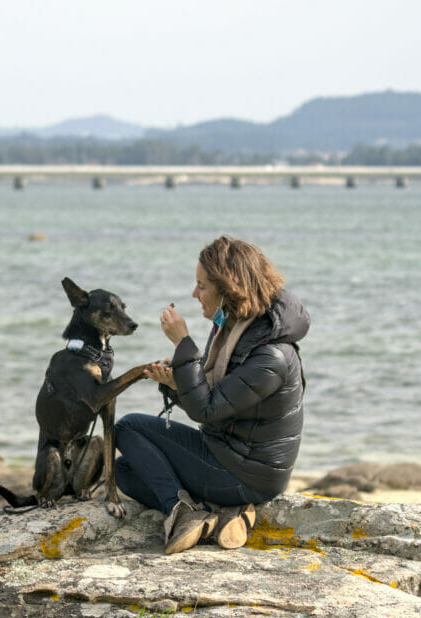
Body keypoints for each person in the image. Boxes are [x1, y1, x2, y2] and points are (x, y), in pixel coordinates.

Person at [114, 235, 310, 554]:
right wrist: (176, 382)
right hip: (227, 452)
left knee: (128, 427)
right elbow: (220, 404)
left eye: (202, 286)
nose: (195, 294)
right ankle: (220, 512)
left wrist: (183, 345)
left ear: (228, 288)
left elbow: (207, 408)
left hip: (248, 474)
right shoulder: (234, 328)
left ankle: (186, 513)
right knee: (125, 472)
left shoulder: (270, 355)